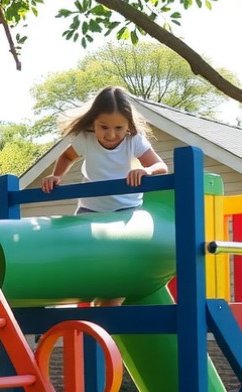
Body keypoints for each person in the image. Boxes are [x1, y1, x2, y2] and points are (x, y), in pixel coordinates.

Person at [40, 85, 167, 305]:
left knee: (119, 259)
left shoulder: (133, 141)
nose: (111, 134)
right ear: (92, 123)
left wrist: (145, 171)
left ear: (129, 125)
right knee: (81, 250)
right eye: (103, 127)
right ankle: (84, 295)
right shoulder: (86, 139)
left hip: (125, 210)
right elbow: (67, 157)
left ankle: (109, 304)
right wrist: (55, 177)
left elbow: (160, 166)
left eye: (119, 128)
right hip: (91, 209)